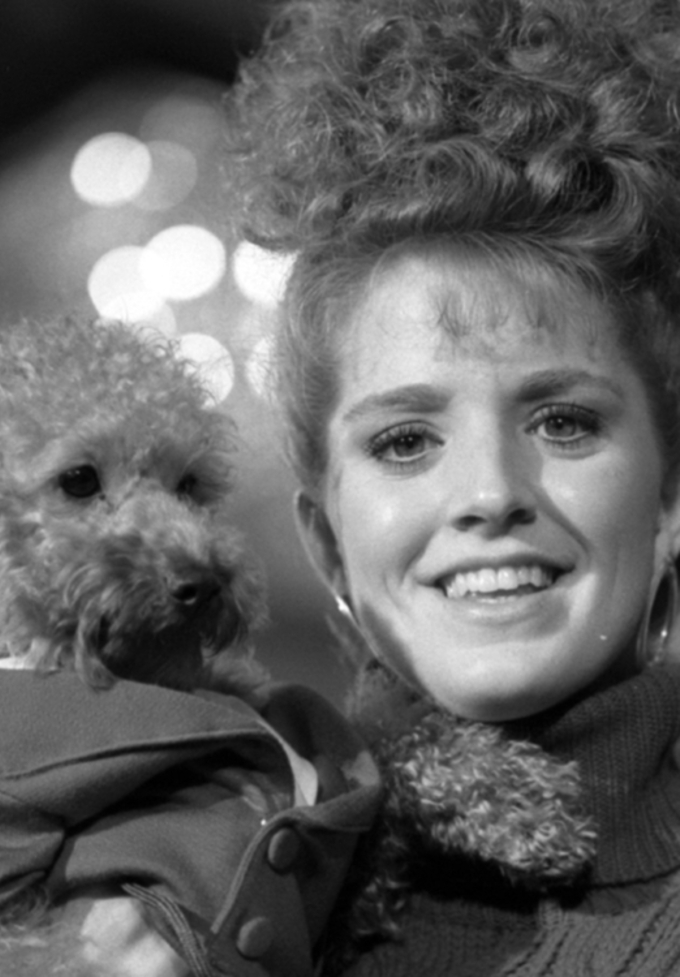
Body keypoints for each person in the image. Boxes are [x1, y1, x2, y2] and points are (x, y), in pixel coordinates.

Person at [227, 0, 680, 973]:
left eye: (562, 421)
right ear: (325, 539)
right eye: (402, 440)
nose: (487, 491)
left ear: (670, 495)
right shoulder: (206, 902)